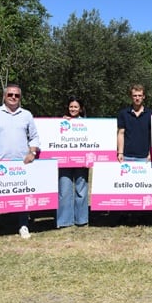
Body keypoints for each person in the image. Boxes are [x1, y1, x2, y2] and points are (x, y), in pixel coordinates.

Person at [0, 83, 40, 244]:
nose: (13, 97)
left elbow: (34, 136)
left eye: (16, 95)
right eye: (10, 94)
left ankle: (23, 225)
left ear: (20, 97)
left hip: (21, 163)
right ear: (4, 96)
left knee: (22, 195)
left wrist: (32, 152)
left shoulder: (26, 115)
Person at [56, 96, 89, 229]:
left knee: (81, 190)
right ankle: (64, 220)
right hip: (65, 162)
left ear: (80, 109)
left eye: (76, 107)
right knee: (64, 190)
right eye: (71, 107)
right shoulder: (61, 121)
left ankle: (81, 219)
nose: (73, 109)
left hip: (82, 162)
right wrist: (61, 122)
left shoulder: (87, 123)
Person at [117, 84, 152, 163]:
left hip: (144, 157)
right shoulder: (123, 113)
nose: (137, 98)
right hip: (126, 156)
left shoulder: (150, 114)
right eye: (135, 96)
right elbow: (121, 133)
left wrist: (151, 153)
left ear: (144, 97)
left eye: (140, 95)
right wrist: (120, 153)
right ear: (131, 97)